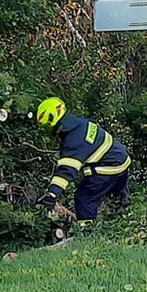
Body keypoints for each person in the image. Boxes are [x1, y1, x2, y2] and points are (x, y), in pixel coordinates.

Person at [35, 97, 131, 232]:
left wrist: (52, 194)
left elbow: (66, 171)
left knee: (84, 197)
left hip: (109, 166)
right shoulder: (80, 123)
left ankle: (87, 232)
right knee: (115, 196)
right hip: (121, 159)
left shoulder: (73, 141)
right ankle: (125, 212)